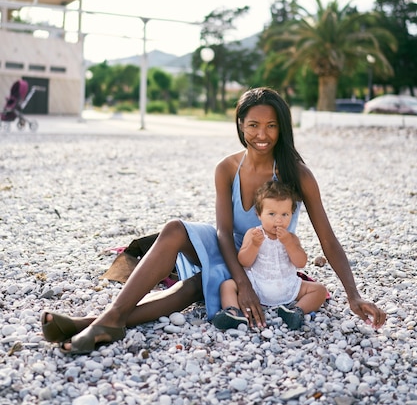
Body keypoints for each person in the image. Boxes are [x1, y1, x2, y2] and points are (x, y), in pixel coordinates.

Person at [41, 87, 386, 354]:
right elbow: (222, 231)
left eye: (271, 125)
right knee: (175, 229)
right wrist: (243, 284)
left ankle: (94, 323)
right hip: (227, 246)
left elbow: (328, 239)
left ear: (282, 128)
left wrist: (353, 296)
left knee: (196, 287)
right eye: (253, 125)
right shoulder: (226, 168)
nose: (261, 134)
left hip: (264, 256)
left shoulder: (298, 175)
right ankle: (111, 319)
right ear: (240, 125)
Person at [212, 181, 328, 331]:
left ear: (292, 214)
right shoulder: (254, 234)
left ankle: (296, 311)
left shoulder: (291, 238)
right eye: (272, 214)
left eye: (285, 214)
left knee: (319, 290)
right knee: (227, 285)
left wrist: (289, 244)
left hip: (288, 286)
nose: (278, 220)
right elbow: (244, 261)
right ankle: (232, 311)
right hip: (257, 286)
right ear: (259, 214)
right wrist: (254, 245)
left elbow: (301, 262)